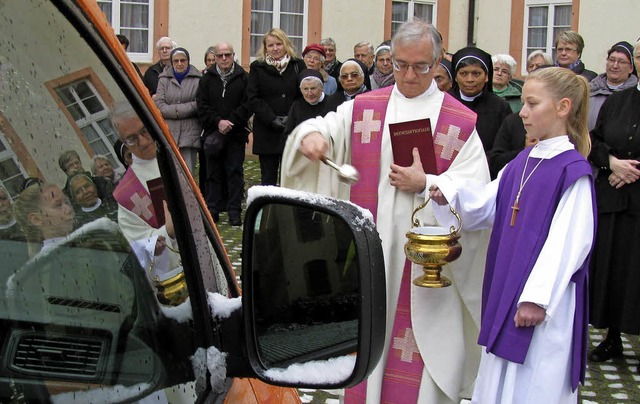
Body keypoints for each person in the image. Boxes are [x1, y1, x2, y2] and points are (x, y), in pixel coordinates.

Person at [281, 19, 490, 403]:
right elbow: (324, 127)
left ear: (439, 61)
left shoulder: (458, 123)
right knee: (368, 342)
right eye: (400, 64)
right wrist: (312, 137)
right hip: (370, 251)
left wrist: (427, 183)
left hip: (425, 264)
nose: (409, 75)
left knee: (420, 355)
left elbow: (477, 196)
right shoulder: (365, 108)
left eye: (421, 66)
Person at [430, 66, 595, 402]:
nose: (522, 112)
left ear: (563, 107)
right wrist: (449, 191)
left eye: (532, 104)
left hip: (543, 304)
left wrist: (536, 298)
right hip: (507, 287)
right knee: (497, 380)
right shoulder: (522, 161)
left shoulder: (572, 171)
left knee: (536, 380)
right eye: (523, 102)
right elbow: (486, 204)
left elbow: (570, 242)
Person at [587, 40, 640, 373]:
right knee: (614, 270)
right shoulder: (618, 100)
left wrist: (630, 170)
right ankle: (612, 336)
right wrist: (611, 163)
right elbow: (593, 139)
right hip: (614, 202)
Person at [196, 41, 250, 226]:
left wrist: (231, 122)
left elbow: (248, 104)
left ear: (233, 55)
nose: (224, 58)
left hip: (236, 135)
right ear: (215, 57)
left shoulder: (244, 77)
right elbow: (202, 105)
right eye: (220, 55)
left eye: (228, 54)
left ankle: (234, 211)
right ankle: (213, 209)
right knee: (212, 173)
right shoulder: (206, 79)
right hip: (213, 135)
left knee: (235, 173)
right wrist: (218, 121)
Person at [246, 28, 306, 185]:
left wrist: (291, 117)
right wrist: (271, 119)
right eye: (270, 45)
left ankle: (289, 209)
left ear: (286, 44)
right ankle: (269, 209)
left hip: (292, 129)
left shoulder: (298, 65)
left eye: (279, 44)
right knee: (268, 180)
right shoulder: (257, 67)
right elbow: (253, 98)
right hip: (267, 130)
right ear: (265, 48)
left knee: (290, 178)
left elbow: (303, 95)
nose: (275, 48)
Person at [451, 47, 512, 152]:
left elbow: (505, 147)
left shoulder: (500, 106)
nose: (470, 79)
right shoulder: (444, 102)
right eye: (463, 73)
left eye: (476, 73)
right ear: (455, 77)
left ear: (487, 77)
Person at [155, 47, 202, 174]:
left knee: (188, 173)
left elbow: (198, 104)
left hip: (190, 133)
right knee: (170, 173)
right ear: (172, 62)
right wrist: (182, 110)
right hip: (170, 132)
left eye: (183, 60)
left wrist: (175, 111)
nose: (180, 64)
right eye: (176, 61)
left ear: (188, 61)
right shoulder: (164, 80)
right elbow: (159, 105)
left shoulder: (198, 79)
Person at [587, 41, 637, 130]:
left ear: (631, 68)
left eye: (621, 62)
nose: (615, 65)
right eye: (612, 60)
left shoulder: (635, 95)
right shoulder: (590, 90)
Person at [284, 69, 329, 136]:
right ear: (301, 90)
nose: (309, 93)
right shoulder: (297, 105)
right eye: (305, 89)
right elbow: (289, 133)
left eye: (313, 88)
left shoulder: (332, 102)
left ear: (321, 88)